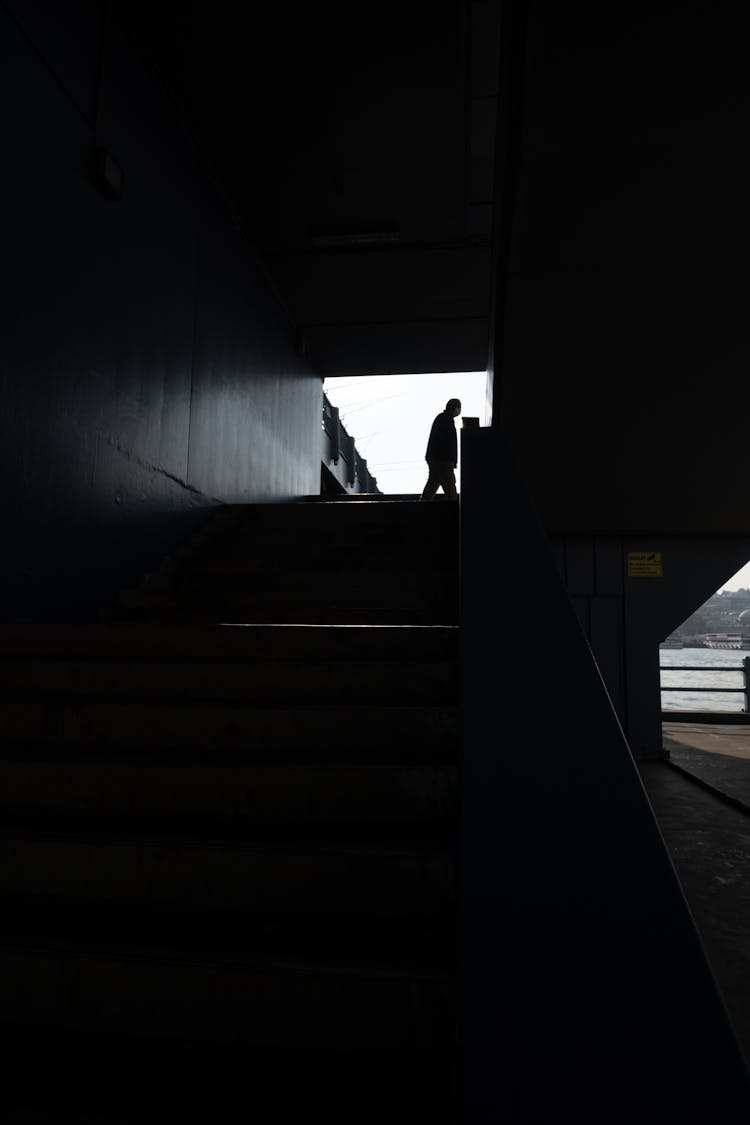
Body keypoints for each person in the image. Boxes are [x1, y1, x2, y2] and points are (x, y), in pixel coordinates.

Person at [419, 398, 461, 501]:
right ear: (455, 408)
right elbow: (448, 442)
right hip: (442, 460)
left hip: (437, 459)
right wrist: (451, 461)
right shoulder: (446, 420)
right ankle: (454, 511)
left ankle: (420, 507)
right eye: (458, 407)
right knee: (450, 486)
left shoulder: (442, 418)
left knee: (433, 483)